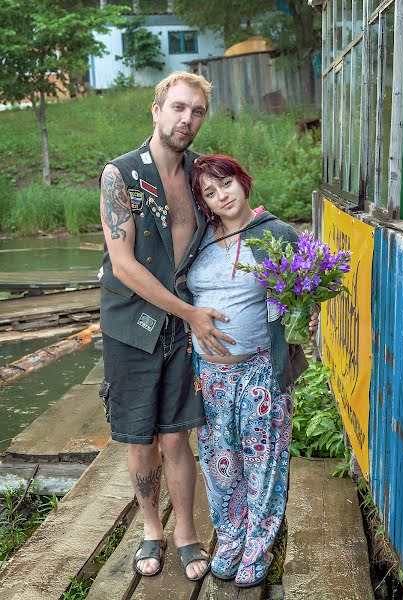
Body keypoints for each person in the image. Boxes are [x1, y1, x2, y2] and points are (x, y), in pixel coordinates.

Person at [98, 72, 236, 581]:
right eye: (179, 108)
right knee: (142, 438)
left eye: (197, 111)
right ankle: (151, 530)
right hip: (132, 325)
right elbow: (124, 264)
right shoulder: (121, 176)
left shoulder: (202, 176)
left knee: (179, 437)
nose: (187, 119)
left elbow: (234, 217)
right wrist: (191, 314)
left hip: (183, 323)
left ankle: (186, 533)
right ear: (156, 110)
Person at [187, 154, 319, 588]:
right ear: (203, 202)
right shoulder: (200, 239)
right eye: (209, 192)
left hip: (261, 371)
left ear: (243, 183)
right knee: (219, 464)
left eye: (225, 184)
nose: (221, 195)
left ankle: (258, 548)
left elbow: (308, 290)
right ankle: (229, 538)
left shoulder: (277, 234)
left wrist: (307, 314)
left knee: (263, 463)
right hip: (210, 375)